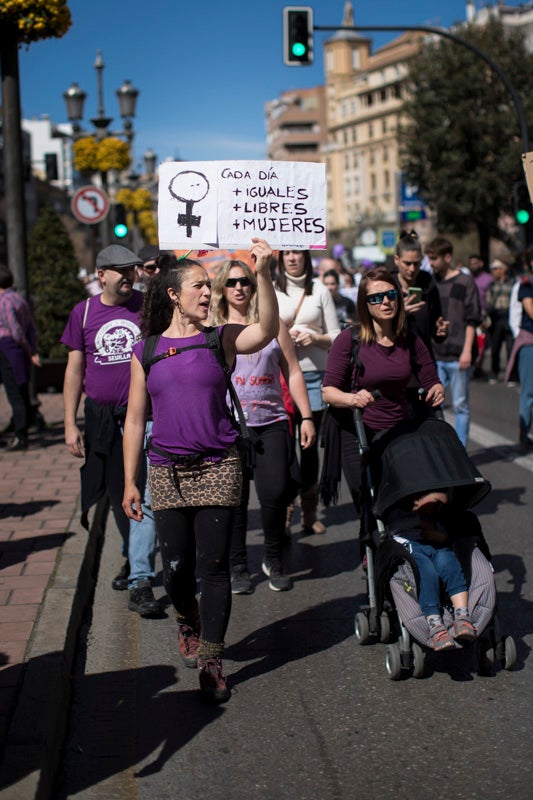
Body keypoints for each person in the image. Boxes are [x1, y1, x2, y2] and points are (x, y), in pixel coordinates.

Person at [122, 238, 279, 704]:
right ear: (173, 294)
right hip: (165, 469)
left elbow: (266, 331)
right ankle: (187, 620)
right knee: (175, 571)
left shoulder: (220, 338)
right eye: (198, 287)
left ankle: (211, 658)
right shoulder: (145, 349)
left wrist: (264, 273)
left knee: (213, 568)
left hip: (219, 464)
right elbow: (135, 419)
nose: (208, 293)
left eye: (209, 287)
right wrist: (129, 480)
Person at [61, 244, 161, 618]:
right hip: (103, 420)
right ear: (101, 274)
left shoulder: (146, 308)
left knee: (145, 496)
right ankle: (131, 557)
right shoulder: (83, 312)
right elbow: (74, 370)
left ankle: (140, 577)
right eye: (120, 270)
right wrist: (70, 423)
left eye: (132, 270)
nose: (129, 276)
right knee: (119, 493)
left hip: (146, 416)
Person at [210, 258, 316, 594]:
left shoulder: (273, 325)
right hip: (229, 427)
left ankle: (275, 558)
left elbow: (294, 371)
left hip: (271, 421)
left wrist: (307, 415)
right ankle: (238, 566)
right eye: (232, 283)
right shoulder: (212, 327)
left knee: (274, 494)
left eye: (245, 282)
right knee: (236, 500)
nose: (239, 287)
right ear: (222, 289)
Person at [321, 268, 444, 508]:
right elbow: (328, 391)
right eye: (376, 297)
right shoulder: (349, 339)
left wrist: (437, 387)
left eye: (390, 295)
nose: (385, 301)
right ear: (364, 304)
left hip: (399, 427)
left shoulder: (409, 339)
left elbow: (430, 377)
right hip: (356, 428)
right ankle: (370, 541)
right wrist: (353, 398)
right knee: (367, 499)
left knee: (401, 497)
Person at [275, 250, 341, 534]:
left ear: (305, 257)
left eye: (297, 253)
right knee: (285, 447)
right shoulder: (271, 289)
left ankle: (309, 511)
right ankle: (287, 511)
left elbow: (338, 337)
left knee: (309, 447)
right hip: (279, 378)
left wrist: (314, 338)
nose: (292, 258)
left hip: (314, 376)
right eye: (286, 253)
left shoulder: (320, 291)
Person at [385, 488, 476, 651]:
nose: (438, 509)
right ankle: (435, 625)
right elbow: (393, 529)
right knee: (426, 571)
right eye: (437, 503)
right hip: (409, 546)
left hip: (434, 543)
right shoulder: (399, 512)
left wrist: (439, 535)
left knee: (449, 563)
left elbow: (445, 534)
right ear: (416, 500)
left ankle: (462, 615)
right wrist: (421, 522)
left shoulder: (436, 515)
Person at [426, 237, 481, 448]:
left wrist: (467, 351)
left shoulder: (465, 282)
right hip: (436, 354)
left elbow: (472, 319)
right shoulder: (432, 282)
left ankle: (461, 453)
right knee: (431, 405)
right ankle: (439, 452)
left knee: (460, 405)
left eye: (434, 258)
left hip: (459, 355)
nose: (430, 263)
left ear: (447, 257)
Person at [0, 264, 40, 451]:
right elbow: (30, 327)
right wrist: (32, 349)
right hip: (18, 350)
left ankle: (21, 435)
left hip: (9, 348)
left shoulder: (4, 301)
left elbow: (15, 330)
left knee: (15, 393)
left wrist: (26, 348)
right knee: (21, 390)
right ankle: (19, 425)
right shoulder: (18, 298)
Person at [391, 230, 448, 358]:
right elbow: (376, 328)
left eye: (416, 264)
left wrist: (440, 330)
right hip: (394, 358)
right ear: (397, 260)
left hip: (423, 359)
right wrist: (399, 314)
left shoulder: (428, 283)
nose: (412, 269)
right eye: (407, 263)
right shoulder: (387, 285)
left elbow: (435, 324)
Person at [504, 266, 533, 447]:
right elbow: (530, 310)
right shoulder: (527, 284)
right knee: (529, 391)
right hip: (530, 341)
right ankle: (524, 431)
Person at [484, 259, 515, 383]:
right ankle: (494, 372)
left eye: (496, 268)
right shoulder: (492, 285)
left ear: (503, 269)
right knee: (495, 347)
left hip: (508, 317)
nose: (494, 271)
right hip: (496, 318)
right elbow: (488, 301)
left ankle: (512, 375)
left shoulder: (512, 283)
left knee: (510, 347)